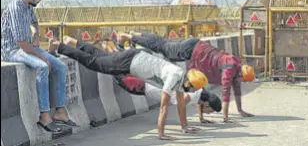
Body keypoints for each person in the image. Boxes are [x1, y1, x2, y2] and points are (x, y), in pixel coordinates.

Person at [48, 36, 209, 140]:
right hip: (130, 62)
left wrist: (184, 127)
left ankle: (73, 41)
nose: (194, 92)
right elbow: (163, 108)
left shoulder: (182, 77)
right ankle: (59, 45)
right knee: (96, 63)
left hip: (134, 59)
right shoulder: (174, 76)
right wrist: (161, 133)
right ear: (190, 83)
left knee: (102, 57)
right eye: (195, 89)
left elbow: (180, 104)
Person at [117, 32, 256, 123]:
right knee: (163, 47)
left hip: (194, 48)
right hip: (191, 50)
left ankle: (139, 34)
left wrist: (240, 110)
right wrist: (225, 117)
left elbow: (235, 93)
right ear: (242, 76)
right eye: (244, 80)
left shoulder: (236, 68)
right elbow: (226, 93)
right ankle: (128, 38)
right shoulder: (230, 68)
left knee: (164, 45)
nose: (242, 82)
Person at [0, 0, 76, 133]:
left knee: (60, 67)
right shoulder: (16, 8)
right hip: (12, 50)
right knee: (42, 67)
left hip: (28, 47)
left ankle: (60, 112)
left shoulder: (27, 6)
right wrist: (42, 57)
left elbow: (34, 22)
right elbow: (21, 43)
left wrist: (35, 32)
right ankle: (44, 115)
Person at [92, 38, 222, 123]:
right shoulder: (189, 95)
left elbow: (199, 103)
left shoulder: (198, 91)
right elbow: (181, 109)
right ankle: (105, 48)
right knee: (117, 73)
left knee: (118, 68)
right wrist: (184, 127)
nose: (209, 113)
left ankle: (109, 48)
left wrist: (201, 118)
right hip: (146, 87)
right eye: (210, 111)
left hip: (148, 84)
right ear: (207, 104)